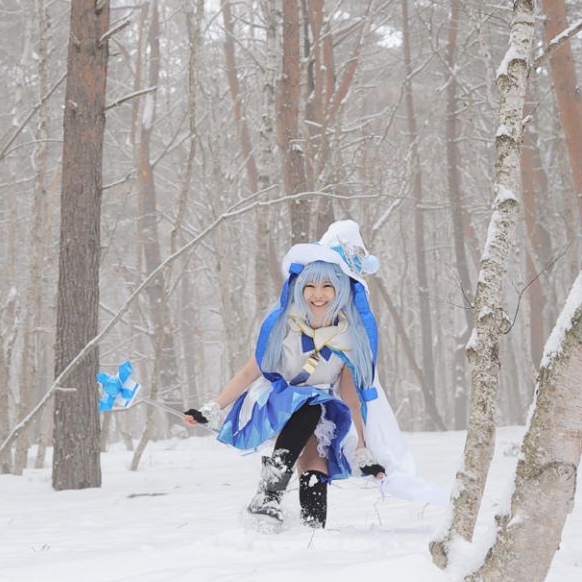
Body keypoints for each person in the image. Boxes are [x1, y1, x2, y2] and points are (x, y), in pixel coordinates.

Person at [184, 220, 444, 528]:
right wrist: (212, 408)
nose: (317, 295)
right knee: (310, 404)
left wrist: (362, 449)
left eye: (327, 287)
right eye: (310, 286)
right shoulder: (284, 328)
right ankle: (267, 495)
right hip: (276, 403)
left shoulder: (348, 340)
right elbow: (248, 372)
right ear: (299, 289)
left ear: (341, 290)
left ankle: (310, 532)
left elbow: (351, 399)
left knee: (315, 464)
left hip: (318, 411)